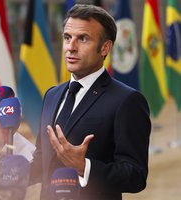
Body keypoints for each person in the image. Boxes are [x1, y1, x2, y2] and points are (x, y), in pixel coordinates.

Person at [29, 4, 151, 200]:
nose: (71, 47)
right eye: (67, 38)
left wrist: (83, 166)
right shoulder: (51, 95)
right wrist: (11, 168)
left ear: (105, 48)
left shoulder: (127, 100)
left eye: (83, 39)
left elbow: (135, 176)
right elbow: (43, 160)